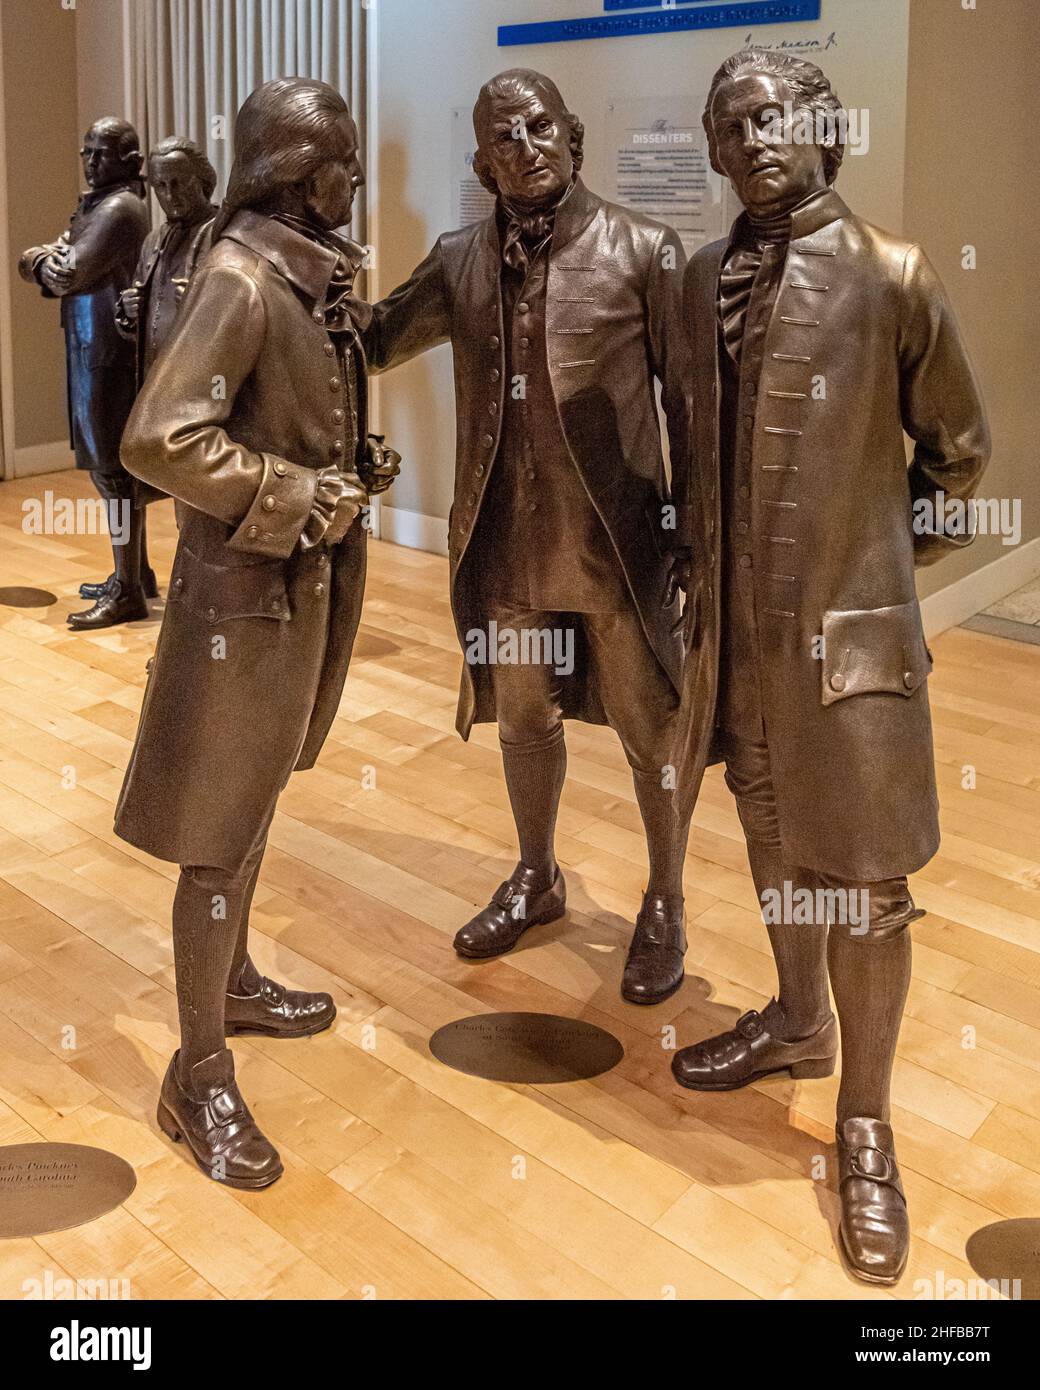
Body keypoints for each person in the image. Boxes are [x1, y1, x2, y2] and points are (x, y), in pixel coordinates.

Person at [672, 49, 990, 1284]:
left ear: (822, 128)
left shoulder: (893, 274)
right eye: (731, 124)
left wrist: (870, 564)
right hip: (736, 634)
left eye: (774, 118)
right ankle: (795, 1018)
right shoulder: (701, 280)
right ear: (710, 150)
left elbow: (958, 463)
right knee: (763, 820)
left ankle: (863, 1120)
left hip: (847, 639)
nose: (753, 139)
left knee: (862, 884)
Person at [365, 68, 696, 1005]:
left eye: (540, 126)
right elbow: (378, 339)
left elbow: (689, 405)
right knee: (522, 718)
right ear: (482, 161)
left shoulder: (646, 249)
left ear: (573, 133)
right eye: (503, 138)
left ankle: (665, 898)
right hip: (507, 544)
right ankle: (537, 874)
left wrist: (694, 536)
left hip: (620, 548)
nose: (526, 147)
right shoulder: (462, 257)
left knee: (652, 731)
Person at [115, 78, 386, 1188]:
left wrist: (348, 471)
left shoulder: (294, 267)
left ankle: (227, 984)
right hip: (244, 599)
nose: (356, 179)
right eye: (341, 162)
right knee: (218, 830)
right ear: (290, 172)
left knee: (257, 796)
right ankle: (199, 1072)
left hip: (295, 594)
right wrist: (297, 493)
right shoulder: (240, 276)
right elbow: (157, 438)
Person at [19, 118, 150, 630]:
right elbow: (48, 263)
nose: (92, 163)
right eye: (87, 153)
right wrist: (37, 260)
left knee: (112, 471)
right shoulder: (98, 204)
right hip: (91, 345)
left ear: (132, 163)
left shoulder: (119, 208)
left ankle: (128, 590)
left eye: (103, 154)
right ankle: (134, 572)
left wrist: (40, 260)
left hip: (108, 351)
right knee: (110, 469)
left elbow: (69, 270)